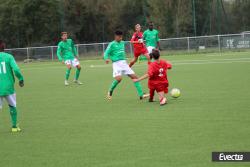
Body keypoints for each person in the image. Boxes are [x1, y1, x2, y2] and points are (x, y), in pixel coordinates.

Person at [104, 30, 149, 100]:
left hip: (124, 63)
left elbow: (131, 42)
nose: (121, 38)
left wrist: (138, 41)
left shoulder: (122, 42)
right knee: (119, 79)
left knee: (135, 77)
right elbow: (106, 53)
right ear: (115, 36)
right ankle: (110, 91)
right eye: (119, 37)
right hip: (116, 64)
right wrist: (106, 58)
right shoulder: (112, 44)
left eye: (121, 37)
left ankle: (141, 95)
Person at [0, 41, 24, 132]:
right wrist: (21, 79)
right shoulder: (9, 57)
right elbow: (16, 70)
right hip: (8, 87)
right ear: (4, 48)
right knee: (12, 106)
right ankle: (14, 127)